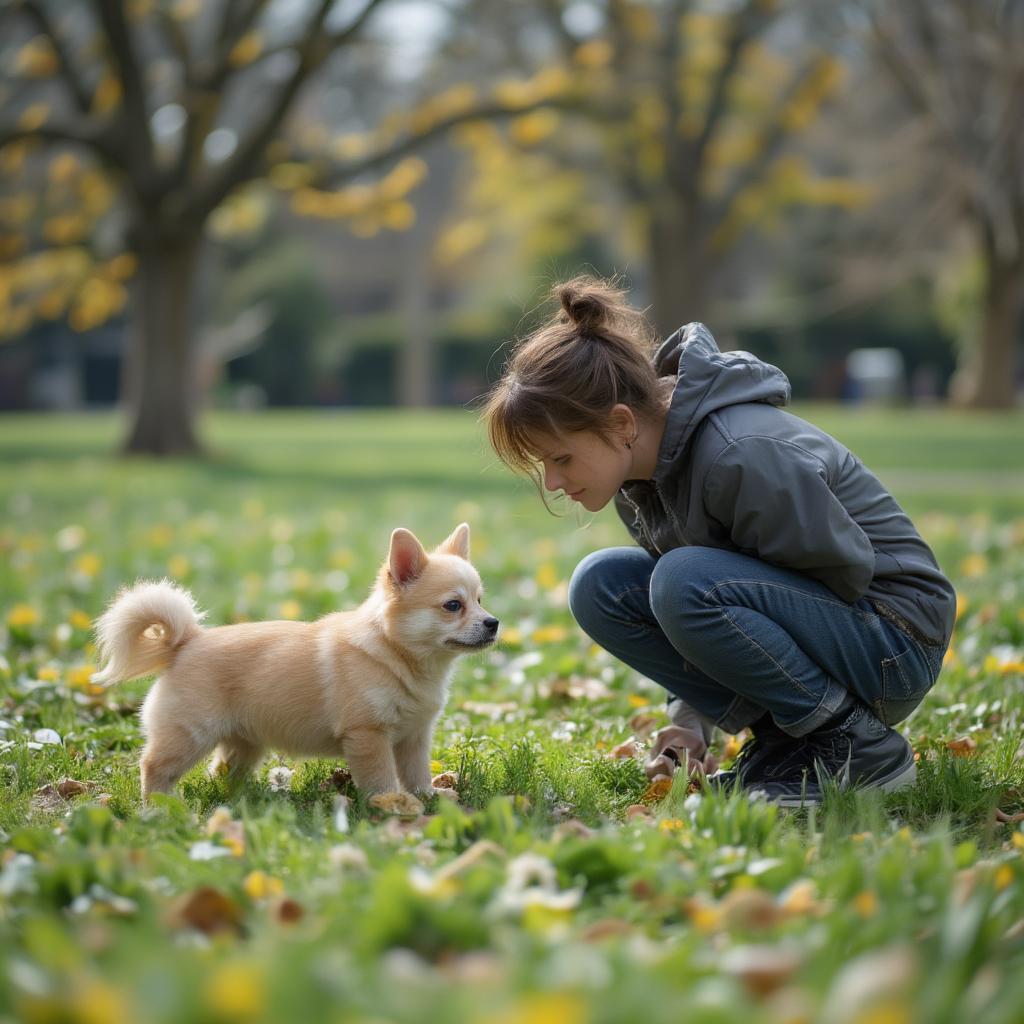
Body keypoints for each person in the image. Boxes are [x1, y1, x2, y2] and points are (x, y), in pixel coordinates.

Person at [481, 275, 955, 805]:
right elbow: (718, 602)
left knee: (681, 580)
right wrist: (688, 723)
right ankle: (792, 744)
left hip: (893, 641)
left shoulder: (740, 454)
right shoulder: (637, 474)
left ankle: (855, 748)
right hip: (836, 635)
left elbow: (838, 576)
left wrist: (741, 629)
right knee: (601, 585)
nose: (552, 481)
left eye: (561, 458)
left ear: (620, 424)